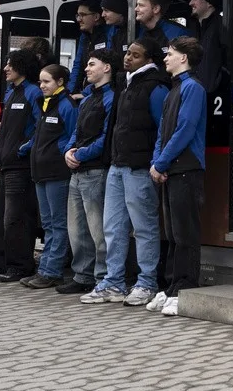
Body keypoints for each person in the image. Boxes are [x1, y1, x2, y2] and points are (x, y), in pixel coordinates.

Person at [81, 38, 169, 306]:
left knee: (144, 228)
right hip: (118, 166)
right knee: (113, 227)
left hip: (139, 168)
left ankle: (147, 283)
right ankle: (114, 282)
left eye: (135, 55)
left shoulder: (156, 88)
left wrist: (157, 162)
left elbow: (163, 129)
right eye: (128, 52)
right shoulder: (126, 85)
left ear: (150, 60)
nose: (128, 58)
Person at [147, 37, 208, 316]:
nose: (165, 58)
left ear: (184, 58)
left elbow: (185, 129)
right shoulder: (174, 89)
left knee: (186, 233)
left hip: (187, 169)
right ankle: (172, 286)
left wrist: (161, 162)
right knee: (172, 233)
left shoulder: (194, 88)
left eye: (170, 54)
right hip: (171, 169)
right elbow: (163, 131)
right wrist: (157, 163)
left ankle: (186, 288)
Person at [188, 0, 233, 229]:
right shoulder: (195, 29)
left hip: (226, 101)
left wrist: (226, 92)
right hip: (202, 100)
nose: (191, 3)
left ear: (209, 2)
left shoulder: (225, 28)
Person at [59, 49, 116, 295]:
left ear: (107, 68)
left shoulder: (112, 98)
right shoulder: (87, 98)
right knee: (77, 229)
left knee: (98, 229)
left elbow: (107, 137)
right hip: (78, 172)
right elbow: (76, 131)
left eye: (92, 64)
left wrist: (79, 154)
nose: (86, 68)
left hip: (96, 172)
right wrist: (68, 151)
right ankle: (82, 275)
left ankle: (102, 277)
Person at [0, 50, 44, 282]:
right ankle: (0, 263)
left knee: (15, 218)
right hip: (3, 165)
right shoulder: (11, 92)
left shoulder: (33, 92)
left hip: (19, 167)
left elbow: (41, 127)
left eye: (10, 64)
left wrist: (23, 148)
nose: (6, 68)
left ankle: (20, 266)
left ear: (22, 66)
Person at [22, 64, 77, 288]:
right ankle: (44, 269)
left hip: (57, 172)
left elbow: (73, 135)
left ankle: (52, 271)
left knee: (57, 223)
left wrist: (60, 152)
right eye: (40, 82)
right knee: (47, 224)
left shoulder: (67, 105)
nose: (42, 86)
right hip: (41, 172)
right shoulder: (46, 104)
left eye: (46, 81)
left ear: (60, 82)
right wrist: (27, 147)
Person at [70, 2, 102, 95]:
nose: (79, 19)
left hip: (100, 92)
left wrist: (87, 94)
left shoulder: (109, 34)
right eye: (78, 15)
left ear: (96, 16)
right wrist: (70, 93)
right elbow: (78, 66)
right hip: (88, 91)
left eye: (83, 15)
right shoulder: (84, 37)